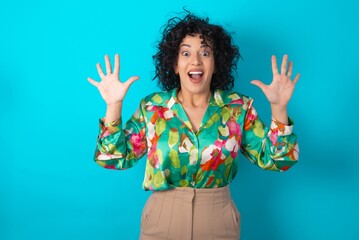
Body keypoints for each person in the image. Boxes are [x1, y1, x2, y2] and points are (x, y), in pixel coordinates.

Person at [88, 12, 300, 240]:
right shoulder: (152, 108)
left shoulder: (238, 108)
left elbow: (278, 161)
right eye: (186, 52)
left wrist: (279, 108)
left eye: (205, 53)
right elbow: (112, 158)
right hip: (162, 218)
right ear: (175, 64)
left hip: (219, 221)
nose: (196, 61)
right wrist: (114, 105)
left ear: (216, 63)